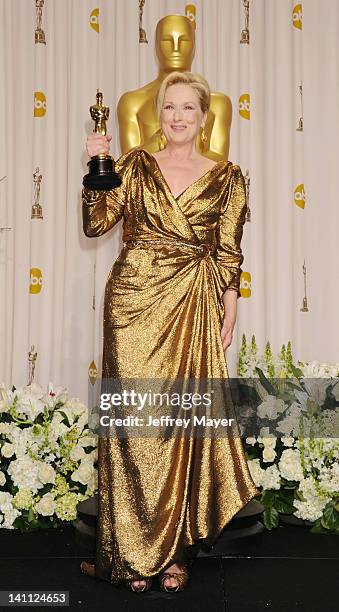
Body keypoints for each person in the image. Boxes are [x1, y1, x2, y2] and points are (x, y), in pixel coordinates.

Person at [80, 71, 259, 593]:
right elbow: (96, 225)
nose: (178, 117)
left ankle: (173, 555)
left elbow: (227, 249)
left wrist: (230, 299)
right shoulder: (134, 166)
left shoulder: (228, 176)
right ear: (160, 115)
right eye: (170, 108)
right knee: (135, 426)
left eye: (188, 108)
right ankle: (132, 556)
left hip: (191, 304)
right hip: (133, 302)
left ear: (204, 117)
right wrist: (97, 165)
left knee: (179, 427)